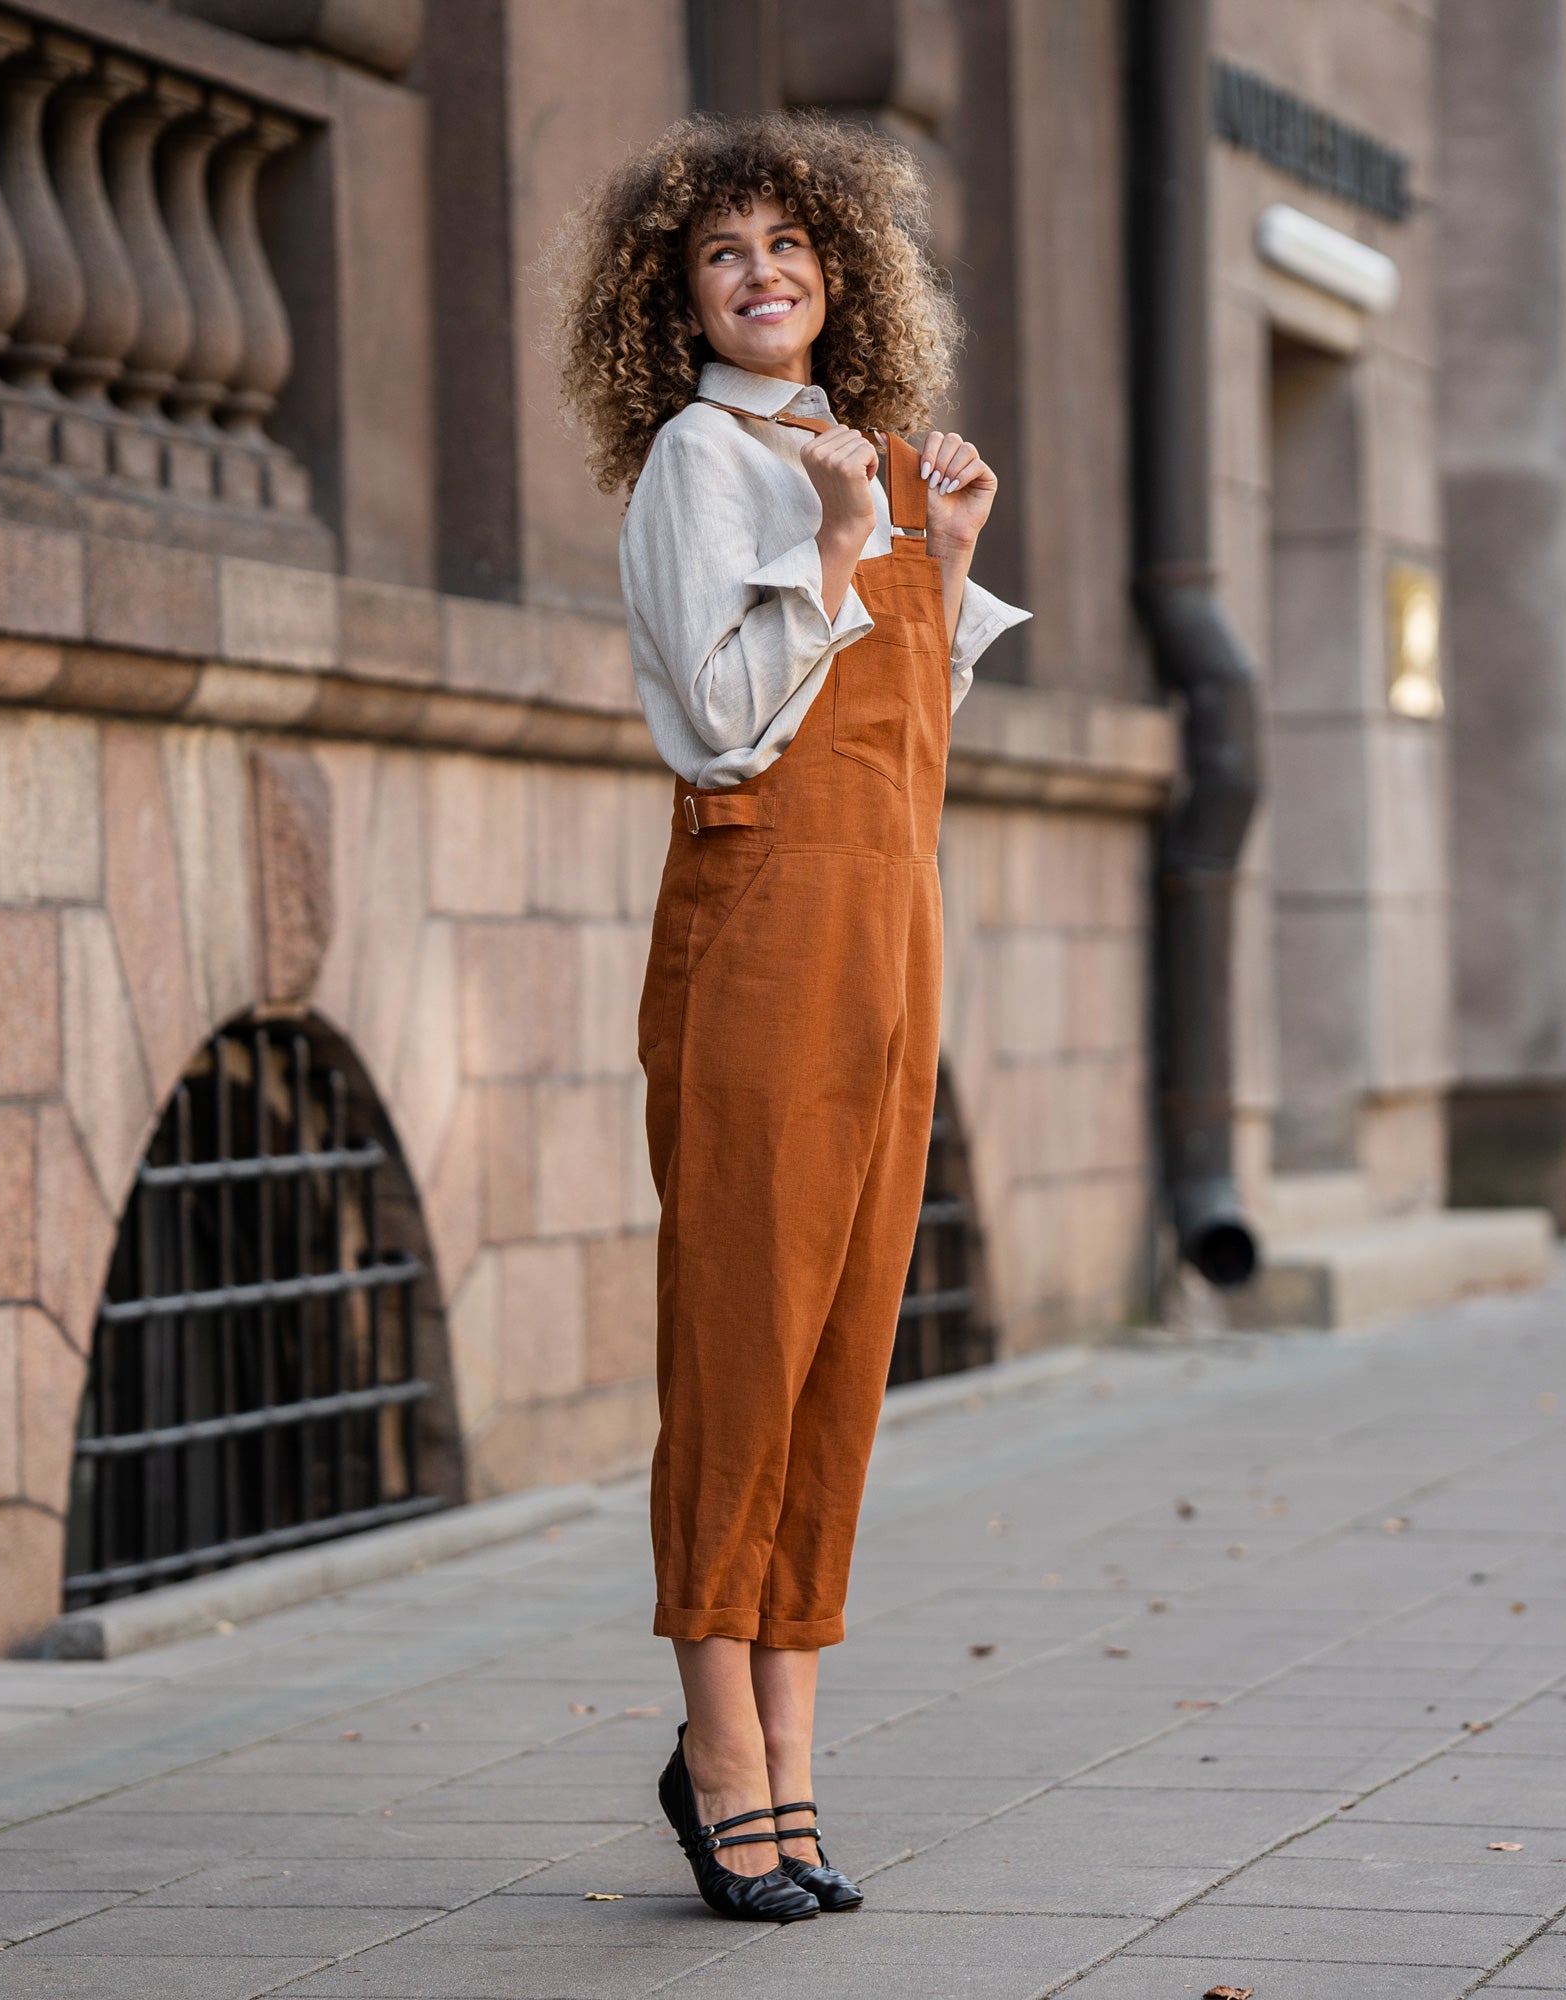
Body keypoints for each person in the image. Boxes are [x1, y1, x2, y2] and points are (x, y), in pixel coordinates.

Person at [558, 112, 1026, 1924]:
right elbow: (729, 724)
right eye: (722, 254)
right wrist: (840, 549)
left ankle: (794, 1754)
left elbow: (905, 748)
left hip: (893, 929)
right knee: (745, 1338)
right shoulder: (698, 462)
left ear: (843, 272)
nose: (764, 273)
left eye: (790, 246)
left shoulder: (885, 461)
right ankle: (718, 1751)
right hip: (762, 931)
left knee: (843, 1352)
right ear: (673, 302)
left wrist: (937, 547)